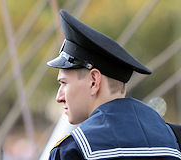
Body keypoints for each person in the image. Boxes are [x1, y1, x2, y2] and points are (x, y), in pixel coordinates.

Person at [47, 9, 181, 160]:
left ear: (94, 81)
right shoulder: (173, 140)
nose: (59, 97)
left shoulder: (73, 150)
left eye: (64, 83)